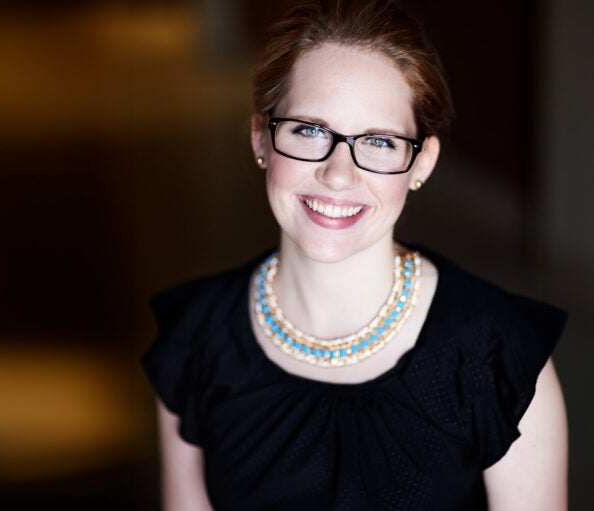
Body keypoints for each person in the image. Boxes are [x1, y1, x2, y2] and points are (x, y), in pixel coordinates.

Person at [142, 1, 568, 509]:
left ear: (421, 163)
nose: (339, 174)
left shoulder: (500, 359)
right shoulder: (195, 338)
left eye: (380, 142)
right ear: (261, 137)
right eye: (309, 130)